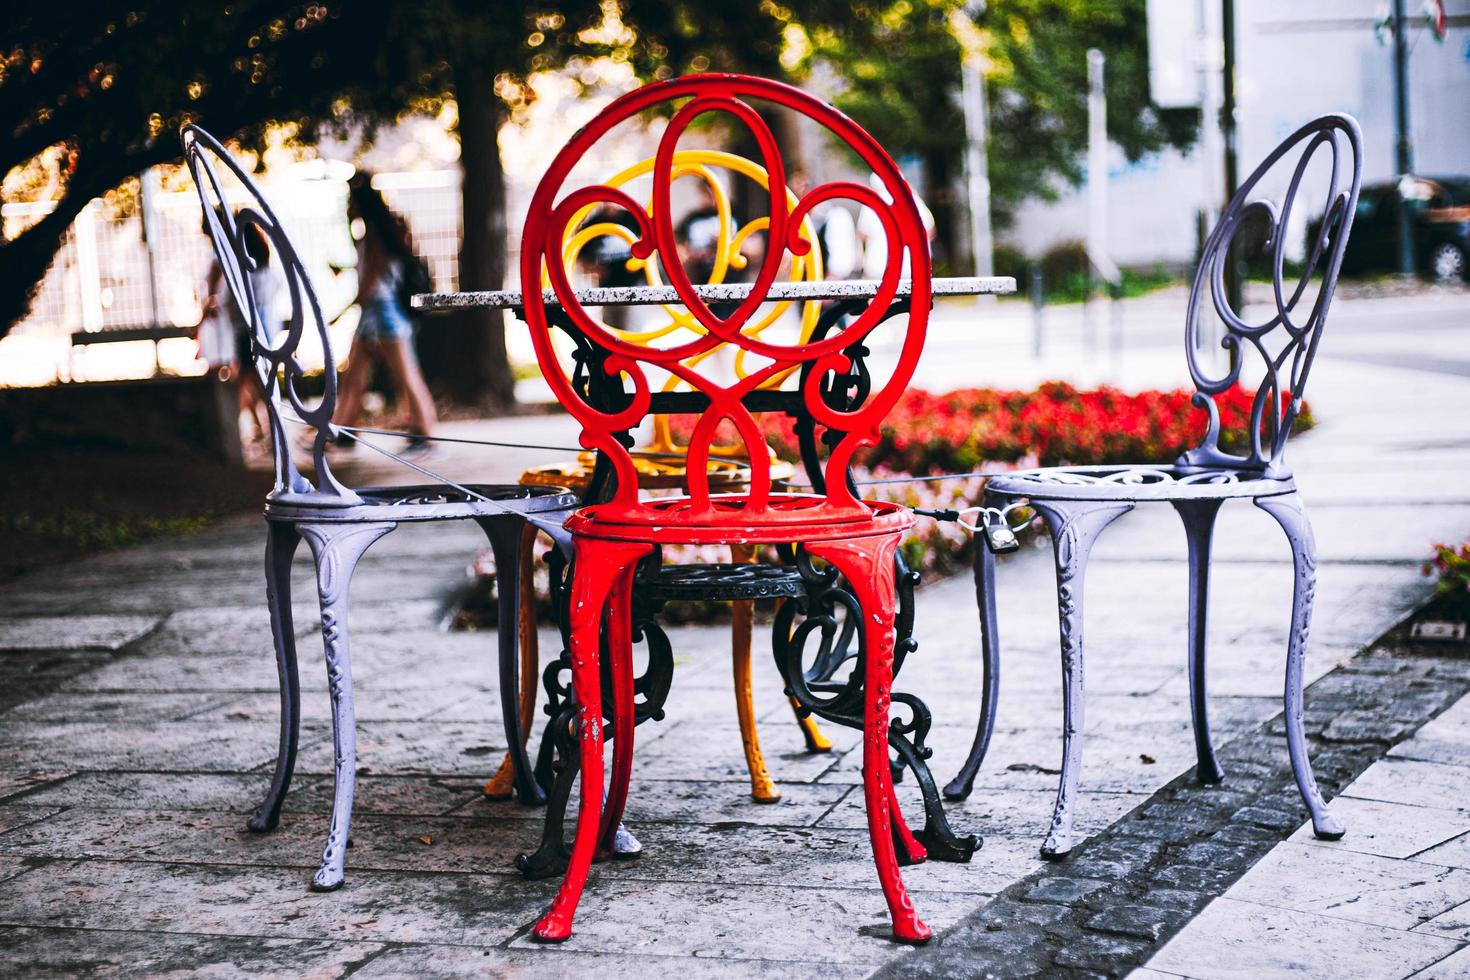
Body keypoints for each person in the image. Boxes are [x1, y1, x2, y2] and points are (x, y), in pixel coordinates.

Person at [332, 174, 437, 456]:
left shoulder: (375, 236)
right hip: (375, 313)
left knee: (405, 375)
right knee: (355, 376)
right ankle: (339, 432)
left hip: (383, 312)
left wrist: (341, 312)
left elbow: (371, 281)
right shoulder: (376, 233)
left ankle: (427, 434)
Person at [197, 212, 280, 445]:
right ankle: (262, 424)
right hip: (257, 325)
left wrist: (201, 321)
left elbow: (221, 295)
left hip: (244, 328)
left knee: (248, 377)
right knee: (248, 377)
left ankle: (264, 425)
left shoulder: (233, 259)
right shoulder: (258, 261)